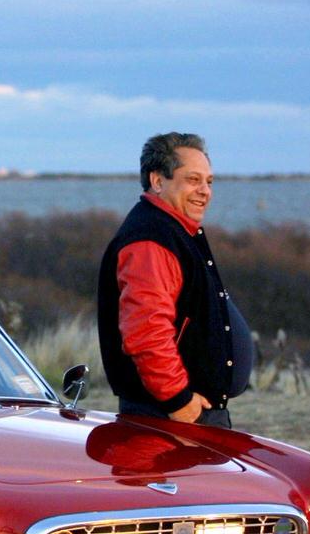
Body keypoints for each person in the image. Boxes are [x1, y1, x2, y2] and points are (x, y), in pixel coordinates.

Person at [97, 132, 251, 427]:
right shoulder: (151, 239)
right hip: (170, 417)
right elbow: (146, 330)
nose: (205, 191)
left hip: (183, 412)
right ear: (157, 181)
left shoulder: (172, 231)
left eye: (209, 182)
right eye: (193, 180)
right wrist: (178, 401)